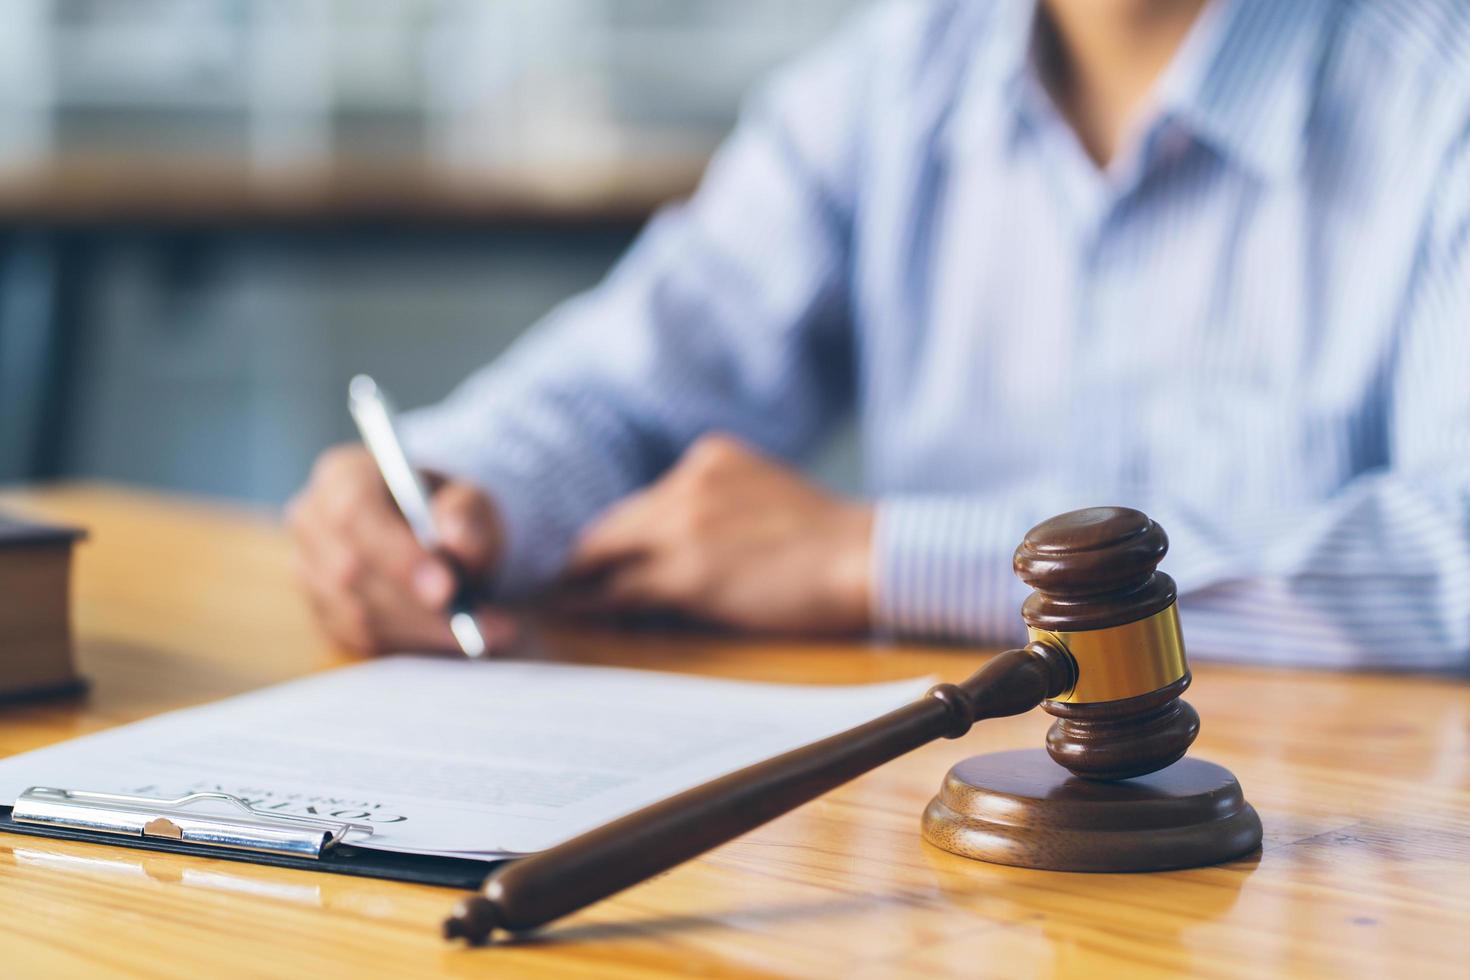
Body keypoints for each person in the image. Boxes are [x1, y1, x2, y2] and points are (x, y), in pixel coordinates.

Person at [288, 0, 1470, 670]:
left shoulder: (1440, 91)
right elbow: (633, 381)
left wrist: (873, 556)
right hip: (935, 861)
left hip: (1340, 872)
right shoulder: (895, 77)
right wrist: (463, 495)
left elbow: (1452, 558)